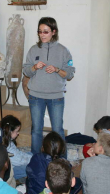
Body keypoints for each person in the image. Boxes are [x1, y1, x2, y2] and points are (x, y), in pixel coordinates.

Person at [23, 17, 75, 154]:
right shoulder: (33, 50)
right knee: (36, 130)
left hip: (56, 97)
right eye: (40, 31)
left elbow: (70, 74)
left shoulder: (64, 51)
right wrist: (34, 67)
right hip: (35, 96)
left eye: (46, 31)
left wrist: (57, 69)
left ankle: (62, 160)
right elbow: (26, 71)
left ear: (53, 31)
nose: (42, 35)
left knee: (57, 130)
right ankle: (36, 160)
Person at [80, 130, 110, 194]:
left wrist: (91, 160)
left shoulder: (86, 162)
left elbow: (84, 183)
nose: (94, 144)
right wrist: (93, 159)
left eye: (96, 142)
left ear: (100, 149)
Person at [1, 115, 32, 180]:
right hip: (10, 171)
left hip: (14, 163)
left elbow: (18, 153)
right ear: (10, 131)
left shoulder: (6, 140)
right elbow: (18, 161)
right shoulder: (8, 146)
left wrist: (31, 157)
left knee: (30, 154)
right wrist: (32, 160)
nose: (18, 133)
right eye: (17, 131)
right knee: (31, 167)